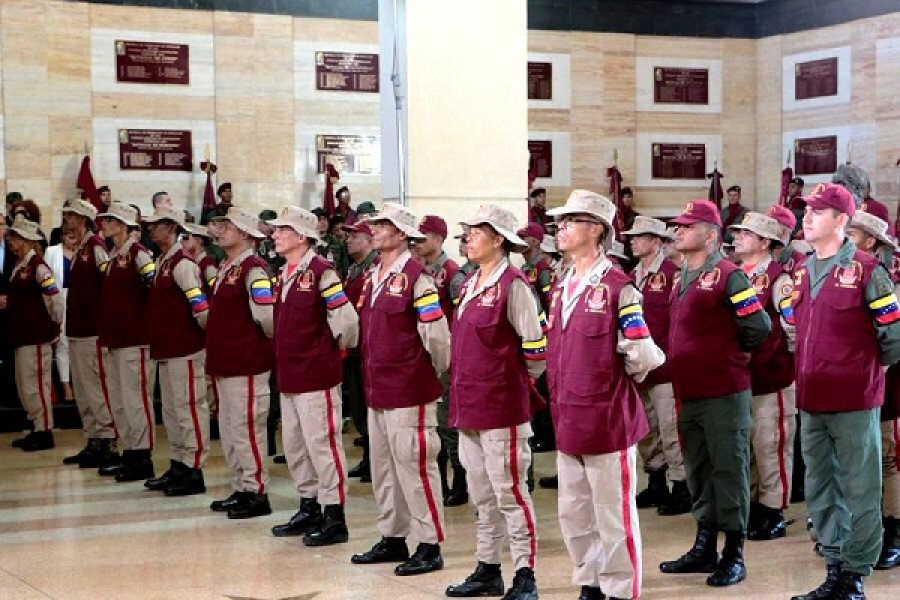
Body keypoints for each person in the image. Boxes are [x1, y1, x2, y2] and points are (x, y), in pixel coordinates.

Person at [546, 190, 664, 600]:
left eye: (570, 221)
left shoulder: (618, 287)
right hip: (568, 416)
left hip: (607, 417)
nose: (560, 229)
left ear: (595, 229)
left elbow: (642, 353)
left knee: (613, 515)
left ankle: (620, 589)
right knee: (574, 513)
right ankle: (589, 582)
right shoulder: (561, 286)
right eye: (560, 222)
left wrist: (611, 383)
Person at [787, 183, 900, 600]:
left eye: (818, 211)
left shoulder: (869, 271)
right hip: (812, 399)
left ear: (841, 220)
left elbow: (893, 335)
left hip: (853, 399)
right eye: (806, 210)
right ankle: (834, 566)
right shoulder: (801, 269)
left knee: (860, 487)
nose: (808, 216)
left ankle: (854, 574)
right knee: (820, 487)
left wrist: (869, 370)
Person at [660, 199, 771, 588]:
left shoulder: (728, 276)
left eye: (686, 226)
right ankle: (704, 545)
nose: (678, 232)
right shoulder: (680, 276)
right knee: (699, 470)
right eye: (677, 226)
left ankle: (734, 554)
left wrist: (728, 356)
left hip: (724, 393)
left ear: (710, 234)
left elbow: (758, 326)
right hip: (689, 392)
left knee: (729, 470)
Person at [445, 205, 545, 600]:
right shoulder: (471, 282)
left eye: (476, 232)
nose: (467, 238)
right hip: (469, 404)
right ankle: (488, 568)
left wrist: (513, 383)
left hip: (502, 406)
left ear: (499, 239)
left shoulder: (514, 284)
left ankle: (525, 574)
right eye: (466, 232)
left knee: (511, 493)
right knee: (482, 494)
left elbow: (536, 349)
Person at [350, 202, 450, 577]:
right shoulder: (376, 273)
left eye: (382, 225)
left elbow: (437, 340)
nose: (373, 230)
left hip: (409, 390)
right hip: (378, 388)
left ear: (402, 233)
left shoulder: (417, 278)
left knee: (416, 467)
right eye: (373, 225)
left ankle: (429, 543)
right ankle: (393, 535)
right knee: (385, 468)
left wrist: (428, 375)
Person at [268, 207, 359, 546]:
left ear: (301, 236)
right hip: (290, 374)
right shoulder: (284, 272)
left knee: (323, 444)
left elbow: (347, 323)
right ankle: (309, 505)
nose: (275, 235)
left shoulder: (322, 272)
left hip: (316, 374)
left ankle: (334, 514)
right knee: (295, 444)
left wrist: (329, 352)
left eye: (282, 230)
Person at [728, 212, 797, 541]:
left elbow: (791, 326)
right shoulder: (737, 274)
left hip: (772, 376)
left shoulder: (778, 278)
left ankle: (774, 510)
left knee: (772, 445)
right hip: (742, 377)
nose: (738, 237)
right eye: (738, 232)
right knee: (750, 446)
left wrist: (782, 363)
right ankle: (755, 504)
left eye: (746, 233)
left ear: (766, 242)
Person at [206, 207, 275, 519]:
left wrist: (254, 346)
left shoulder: (254, 269)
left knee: (247, 428)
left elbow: (267, 317)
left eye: (229, 227)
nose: (221, 231)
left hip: (246, 361)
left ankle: (256, 490)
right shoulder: (227, 266)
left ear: (246, 234)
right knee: (231, 429)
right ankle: (241, 485)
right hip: (225, 361)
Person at [842, 208, 900, 572]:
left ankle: (893, 531)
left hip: (888, 383)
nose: (845, 238)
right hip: (853, 386)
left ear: (871, 241)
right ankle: (865, 531)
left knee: (889, 459)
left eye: (853, 233)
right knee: (859, 462)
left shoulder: (888, 279)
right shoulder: (842, 273)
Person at [623, 216, 690, 516]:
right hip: (639, 367)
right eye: (633, 237)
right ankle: (656, 480)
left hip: (666, 366)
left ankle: (681, 485)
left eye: (639, 237)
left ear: (655, 241)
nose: (632, 241)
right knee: (647, 431)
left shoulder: (671, 273)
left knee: (670, 429)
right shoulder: (633, 275)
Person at [142, 207, 210, 497]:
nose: (150, 230)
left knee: (189, 408)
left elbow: (200, 305)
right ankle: (178, 463)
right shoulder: (162, 261)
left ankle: (194, 468)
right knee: (171, 411)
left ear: (170, 227)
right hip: (167, 348)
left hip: (185, 348)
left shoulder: (183, 264)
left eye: (156, 225)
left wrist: (203, 337)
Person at [96, 202, 158, 482]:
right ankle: (129, 449)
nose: (104, 224)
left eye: (109, 220)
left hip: (135, 338)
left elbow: (152, 285)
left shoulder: (138, 253)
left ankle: (142, 454)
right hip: (115, 337)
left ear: (122, 225)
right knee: (120, 399)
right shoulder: (113, 254)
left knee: (136, 400)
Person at [58, 200, 118, 468]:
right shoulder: (80, 247)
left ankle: (107, 440)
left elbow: (107, 283)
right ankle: (92, 438)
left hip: (92, 329)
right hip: (77, 328)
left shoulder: (96, 246)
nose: (67, 219)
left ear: (83, 219)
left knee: (95, 387)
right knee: (82, 389)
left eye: (71, 215)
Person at [415, 215, 467, 507]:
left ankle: (459, 479)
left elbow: (461, 318)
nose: (420, 243)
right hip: (424, 357)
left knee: (447, 421)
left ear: (438, 238)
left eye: (424, 237)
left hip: (446, 357)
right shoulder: (420, 271)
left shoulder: (451, 273)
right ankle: (440, 479)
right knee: (430, 424)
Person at [6, 218, 64, 451]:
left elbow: (55, 299)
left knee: (36, 385)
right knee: (24, 385)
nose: (11, 242)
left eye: (16, 237)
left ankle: (45, 430)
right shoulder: (20, 265)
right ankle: (35, 426)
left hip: (36, 335)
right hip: (22, 335)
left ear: (28, 240)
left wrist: (55, 326)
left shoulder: (39, 267)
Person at [342, 220, 378, 483]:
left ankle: (375, 461)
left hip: (370, 349)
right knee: (358, 406)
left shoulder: (375, 269)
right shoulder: (353, 269)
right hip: (353, 349)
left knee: (370, 406)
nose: (348, 240)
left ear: (369, 240)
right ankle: (367, 457)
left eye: (355, 236)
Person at [44, 227, 79, 402]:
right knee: (62, 343)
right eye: (68, 235)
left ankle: (81, 384)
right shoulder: (52, 252)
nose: (72, 239)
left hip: (81, 301)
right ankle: (66, 385)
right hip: (60, 299)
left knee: (80, 344)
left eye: (75, 235)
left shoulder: (85, 252)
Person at [0, 204, 19, 411]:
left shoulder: (15, 252)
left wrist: (8, 297)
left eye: (1, 224)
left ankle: (11, 396)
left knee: (11, 355)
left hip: (12, 310)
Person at [182, 224, 219, 289]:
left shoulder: (207, 263)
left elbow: (215, 288)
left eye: (186, 238)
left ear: (199, 241)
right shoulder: (186, 262)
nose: (182, 241)